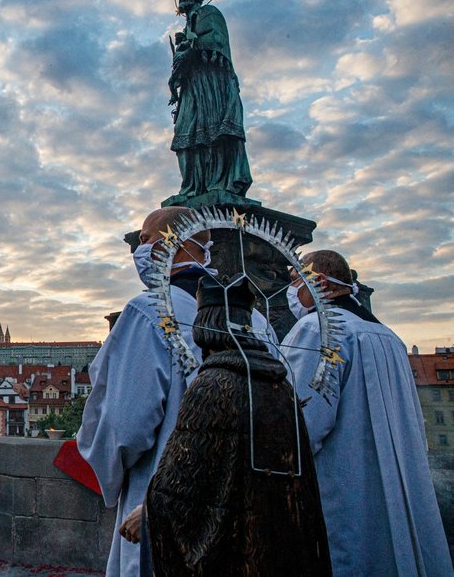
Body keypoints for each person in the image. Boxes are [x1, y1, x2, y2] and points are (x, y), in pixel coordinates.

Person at [77, 206, 274, 576]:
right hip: (240, 497)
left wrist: (105, 462)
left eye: (146, 240)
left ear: (174, 243)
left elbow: (125, 425)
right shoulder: (256, 321)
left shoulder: (150, 310)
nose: (141, 248)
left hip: (165, 497)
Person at [282, 250, 453, 576]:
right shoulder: (389, 336)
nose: (292, 290)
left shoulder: (317, 330)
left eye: (295, 281)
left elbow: (300, 424)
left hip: (347, 493)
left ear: (317, 282)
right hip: (402, 485)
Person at [146, 277, 330, 575]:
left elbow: (177, 491)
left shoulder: (211, 385)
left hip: (233, 553)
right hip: (281, 550)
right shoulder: (280, 385)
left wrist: (147, 508)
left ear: (203, 325)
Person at [167, 0, 252, 201]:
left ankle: (218, 182)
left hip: (212, 84)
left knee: (214, 131)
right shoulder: (186, 28)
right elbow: (181, 66)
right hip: (192, 89)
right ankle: (192, 187)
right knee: (185, 134)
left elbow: (217, 41)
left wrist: (192, 46)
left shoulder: (209, 13)